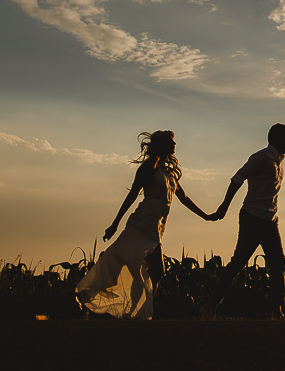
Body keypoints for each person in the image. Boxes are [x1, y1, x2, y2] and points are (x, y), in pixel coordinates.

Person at [76, 130, 213, 319]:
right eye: (170, 142)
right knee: (151, 270)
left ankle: (135, 311)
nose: (174, 145)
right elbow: (133, 194)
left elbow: (184, 198)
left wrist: (206, 216)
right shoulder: (149, 167)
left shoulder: (170, 172)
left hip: (157, 227)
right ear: (160, 145)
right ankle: (127, 308)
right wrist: (115, 223)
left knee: (153, 272)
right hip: (141, 223)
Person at [201, 123, 285, 319]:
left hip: (270, 220)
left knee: (278, 264)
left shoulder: (280, 161)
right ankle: (210, 306)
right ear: (275, 139)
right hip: (252, 218)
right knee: (238, 262)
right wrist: (224, 206)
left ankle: (277, 311)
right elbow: (237, 179)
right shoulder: (261, 157)